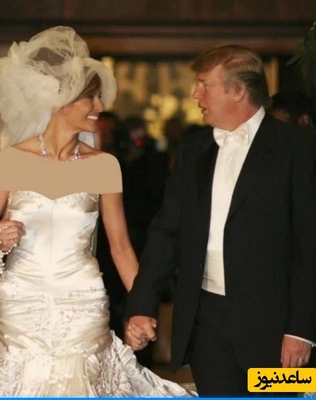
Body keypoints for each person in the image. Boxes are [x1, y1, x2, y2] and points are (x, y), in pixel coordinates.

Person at [0, 26, 196, 399]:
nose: (99, 108)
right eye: (90, 98)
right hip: (21, 305)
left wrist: (143, 307)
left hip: (83, 302)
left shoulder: (105, 165)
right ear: (60, 101)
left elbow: (121, 248)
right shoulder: (11, 161)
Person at [126, 44, 316, 397]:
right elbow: (166, 233)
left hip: (277, 332)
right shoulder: (193, 150)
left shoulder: (298, 149)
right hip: (206, 325)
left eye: (204, 84)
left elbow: (310, 245)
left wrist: (301, 331)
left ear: (237, 91)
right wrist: (141, 306)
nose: (195, 94)